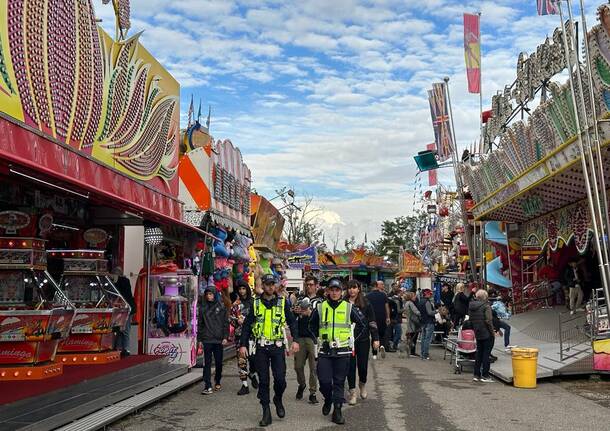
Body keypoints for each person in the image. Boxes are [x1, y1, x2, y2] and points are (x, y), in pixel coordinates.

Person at [239, 274, 300, 427]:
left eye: (273, 284)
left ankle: (278, 398)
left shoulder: (283, 302)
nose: (270, 287)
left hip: (277, 347)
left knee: (280, 380)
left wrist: (296, 341)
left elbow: (292, 322)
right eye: (267, 284)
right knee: (264, 381)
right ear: (263, 286)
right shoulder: (255, 303)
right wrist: (243, 345)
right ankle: (266, 411)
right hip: (261, 348)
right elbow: (246, 326)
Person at [305, 278, 361, 425]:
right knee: (323, 381)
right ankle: (328, 399)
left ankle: (337, 410)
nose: (335, 293)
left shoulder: (348, 307)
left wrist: (351, 340)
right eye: (332, 290)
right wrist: (317, 339)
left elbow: (361, 325)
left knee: (339, 382)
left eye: (337, 290)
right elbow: (310, 325)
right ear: (328, 291)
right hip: (325, 351)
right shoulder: (321, 307)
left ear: (341, 291)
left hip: (343, 352)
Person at [345, 280, 380, 405]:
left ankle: (362, 384)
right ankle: (352, 392)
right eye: (349, 288)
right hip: (348, 341)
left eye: (354, 288)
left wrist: (375, 338)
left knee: (363, 366)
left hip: (363, 340)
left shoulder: (366, 303)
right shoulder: (343, 303)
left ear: (359, 289)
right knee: (350, 367)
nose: (352, 290)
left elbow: (372, 321)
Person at [292, 275, 321, 404]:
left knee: (313, 367)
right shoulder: (299, 299)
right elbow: (292, 317)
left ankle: (313, 392)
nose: (309, 287)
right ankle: (302, 384)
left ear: (316, 286)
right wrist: (295, 311)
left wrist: (310, 313)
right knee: (298, 366)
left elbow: (322, 319)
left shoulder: (320, 302)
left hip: (313, 337)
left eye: (311, 284)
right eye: (307, 284)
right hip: (300, 336)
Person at [198, 287, 229, 394]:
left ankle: (217, 379)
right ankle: (207, 385)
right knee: (207, 363)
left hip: (219, 339)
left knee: (219, 362)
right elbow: (200, 325)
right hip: (207, 339)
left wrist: (225, 337)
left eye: (211, 294)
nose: (209, 296)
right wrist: (200, 339)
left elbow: (226, 323)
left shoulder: (222, 307)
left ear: (215, 294)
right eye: (207, 294)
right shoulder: (202, 308)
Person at [230, 280, 258, 395]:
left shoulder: (254, 302)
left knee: (254, 359)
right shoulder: (236, 304)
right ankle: (244, 385)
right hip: (240, 336)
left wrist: (249, 322)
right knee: (241, 360)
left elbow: (260, 318)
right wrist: (237, 322)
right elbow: (231, 319)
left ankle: (252, 373)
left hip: (253, 335)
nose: (241, 291)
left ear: (247, 289)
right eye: (240, 289)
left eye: (243, 288)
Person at [469, 289, 495, 383]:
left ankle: (476, 374)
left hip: (478, 332)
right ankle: (485, 375)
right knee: (486, 354)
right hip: (486, 332)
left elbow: (471, 319)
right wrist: (492, 332)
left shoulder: (471, 306)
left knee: (479, 353)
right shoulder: (486, 306)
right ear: (485, 297)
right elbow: (489, 320)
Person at [111, 266, 136, 357]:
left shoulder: (121, 281)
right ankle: (123, 348)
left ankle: (124, 348)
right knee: (123, 330)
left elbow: (121, 295)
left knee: (122, 330)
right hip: (127, 307)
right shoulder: (126, 281)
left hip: (125, 308)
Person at [366, 280, 390, 358]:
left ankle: (374, 354)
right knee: (381, 334)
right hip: (382, 317)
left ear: (371, 287)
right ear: (377, 286)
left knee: (374, 335)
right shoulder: (383, 295)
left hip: (371, 318)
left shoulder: (367, 296)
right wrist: (388, 317)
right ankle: (382, 345)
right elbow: (387, 307)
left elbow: (365, 308)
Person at [417, 287, 436, 360]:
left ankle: (422, 354)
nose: (431, 295)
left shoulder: (420, 301)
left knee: (423, 338)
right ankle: (425, 355)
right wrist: (437, 311)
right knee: (427, 339)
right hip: (429, 322)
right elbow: (430, 312)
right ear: (426, 294)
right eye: (430, 294)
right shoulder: (427, 302)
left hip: (423, 322)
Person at [403, 291, 421, 357]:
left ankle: (410, 351)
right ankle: (412, 352)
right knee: (414, 338)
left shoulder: (406, 303)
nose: (415, 297)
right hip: (413, 322)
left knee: (410, 337)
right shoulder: (411, 303)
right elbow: (416, 312)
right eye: (414, 296)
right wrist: (421, 314)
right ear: (411, 297)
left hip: (409, 321)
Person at [388, 283, 404, 351]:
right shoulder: (390, 295)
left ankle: (393, 345)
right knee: (397, 332)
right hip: (393, 316)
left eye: (397, 286)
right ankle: (393, 345)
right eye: (395, 286)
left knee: (397, 332)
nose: (396, 287)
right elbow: (397, 309)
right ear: (392, 287)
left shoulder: (398, 296)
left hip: (397, 316)